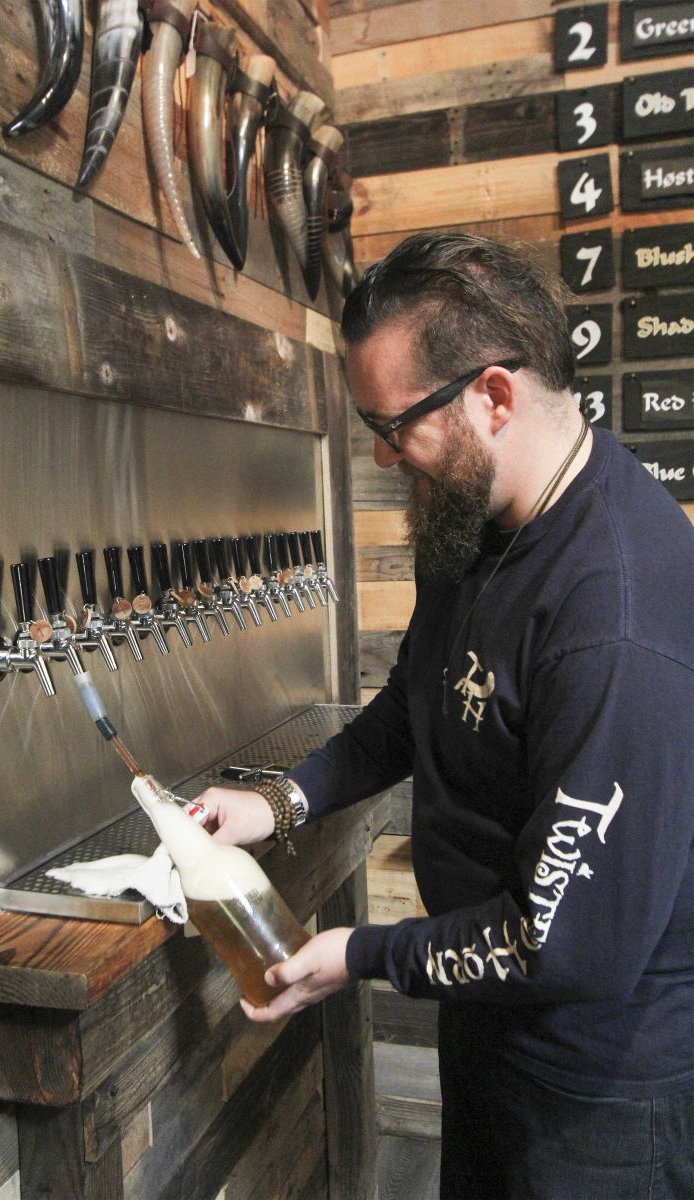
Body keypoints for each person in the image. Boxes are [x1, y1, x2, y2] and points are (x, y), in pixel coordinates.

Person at [196, 233, 694, 1199]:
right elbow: (413, 705)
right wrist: (281, 803)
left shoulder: (615, 618)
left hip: (600, 1086)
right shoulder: (469, 518)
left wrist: (360, 954)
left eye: (395, 426)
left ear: (494, 397)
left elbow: (568, 944)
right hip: (487, 1014)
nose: (384, 457)